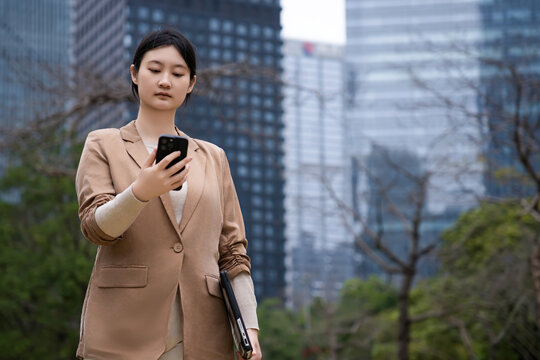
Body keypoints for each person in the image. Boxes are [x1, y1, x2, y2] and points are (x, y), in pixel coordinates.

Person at [75, 28, 262, 360]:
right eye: (154, 69)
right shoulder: (103, 143)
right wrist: (140, 192)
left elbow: (233, 252)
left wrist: (249, 328)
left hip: (203, 333)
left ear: (191, 83)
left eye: (178, 73)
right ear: (134, 74)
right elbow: (95, 227)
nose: (165, 80)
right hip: (123, 331)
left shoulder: (213, 157)